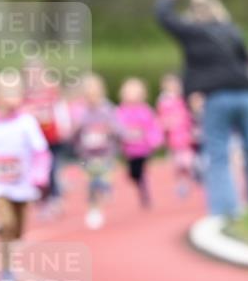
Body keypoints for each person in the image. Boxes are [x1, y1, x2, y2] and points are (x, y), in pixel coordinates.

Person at [155, 0, 248, 220]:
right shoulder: (231, 30)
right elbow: (247, 60)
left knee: (218, 153)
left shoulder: (193, 31)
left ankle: (225, 208)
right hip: (244, 94)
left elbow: (164, 17)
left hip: (217, 96)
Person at [0, 71, 50, 281]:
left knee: (18, 232)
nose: (15, 96)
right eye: (9, 92)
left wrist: (39, 177)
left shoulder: (27, 122)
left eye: (17, 91)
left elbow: (41, 152)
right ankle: (6, 270)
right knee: (6, 224)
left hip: (23, 185)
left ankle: (9, 256)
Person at [22, 58, 72, 217]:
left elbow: (60, 107)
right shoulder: (23, 93)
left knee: (52, 169)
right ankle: (42, 200)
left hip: (52, 137)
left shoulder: (51, 89)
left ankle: (55, 198)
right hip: (34, 141)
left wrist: (65, 126)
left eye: (36, 71)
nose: (34, 75)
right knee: (37, 173)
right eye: (30, 72)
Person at [72, 73, 121, 229]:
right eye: (88, 94)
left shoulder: (108, 110)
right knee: (91, 184)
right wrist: (76, 129)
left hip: (105, 154)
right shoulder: (80, 112)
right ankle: (94, 209)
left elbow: (119, 129)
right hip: (87, 155)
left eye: (95, 94)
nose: (92, 97)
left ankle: (104, 193)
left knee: (103, 180)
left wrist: (112, 130)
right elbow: (72, 135)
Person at [116, 77, 161, 207]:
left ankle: (144, 190)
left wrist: (154, 140)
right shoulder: (121, 111)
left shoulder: (145, 110)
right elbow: (117, 126)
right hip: (130, 150)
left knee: (141, 171)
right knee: (133, 173)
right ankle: (140, 182)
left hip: (143, 148)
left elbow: (153, 126)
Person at [157, 72, 199, 198]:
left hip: (185, 137)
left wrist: (192, 130)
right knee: (178, 164)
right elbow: (161, 119)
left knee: (188, 161)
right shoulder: (163, 102)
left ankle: (192, 176)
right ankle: (182, 183)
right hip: (173, 139)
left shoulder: (183, 99)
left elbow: (190, 116)